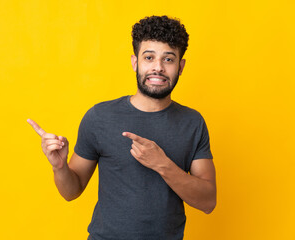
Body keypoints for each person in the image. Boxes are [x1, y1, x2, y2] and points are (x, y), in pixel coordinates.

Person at [27, 15, 216, 240]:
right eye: (149, 57)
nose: (158, 68)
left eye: (168, 59)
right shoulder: (99, 117)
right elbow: (71, 191)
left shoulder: (193, 123)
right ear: (135, 62)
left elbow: (208, 201)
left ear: (180, 66)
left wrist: (163, 164)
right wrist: (59, 167)